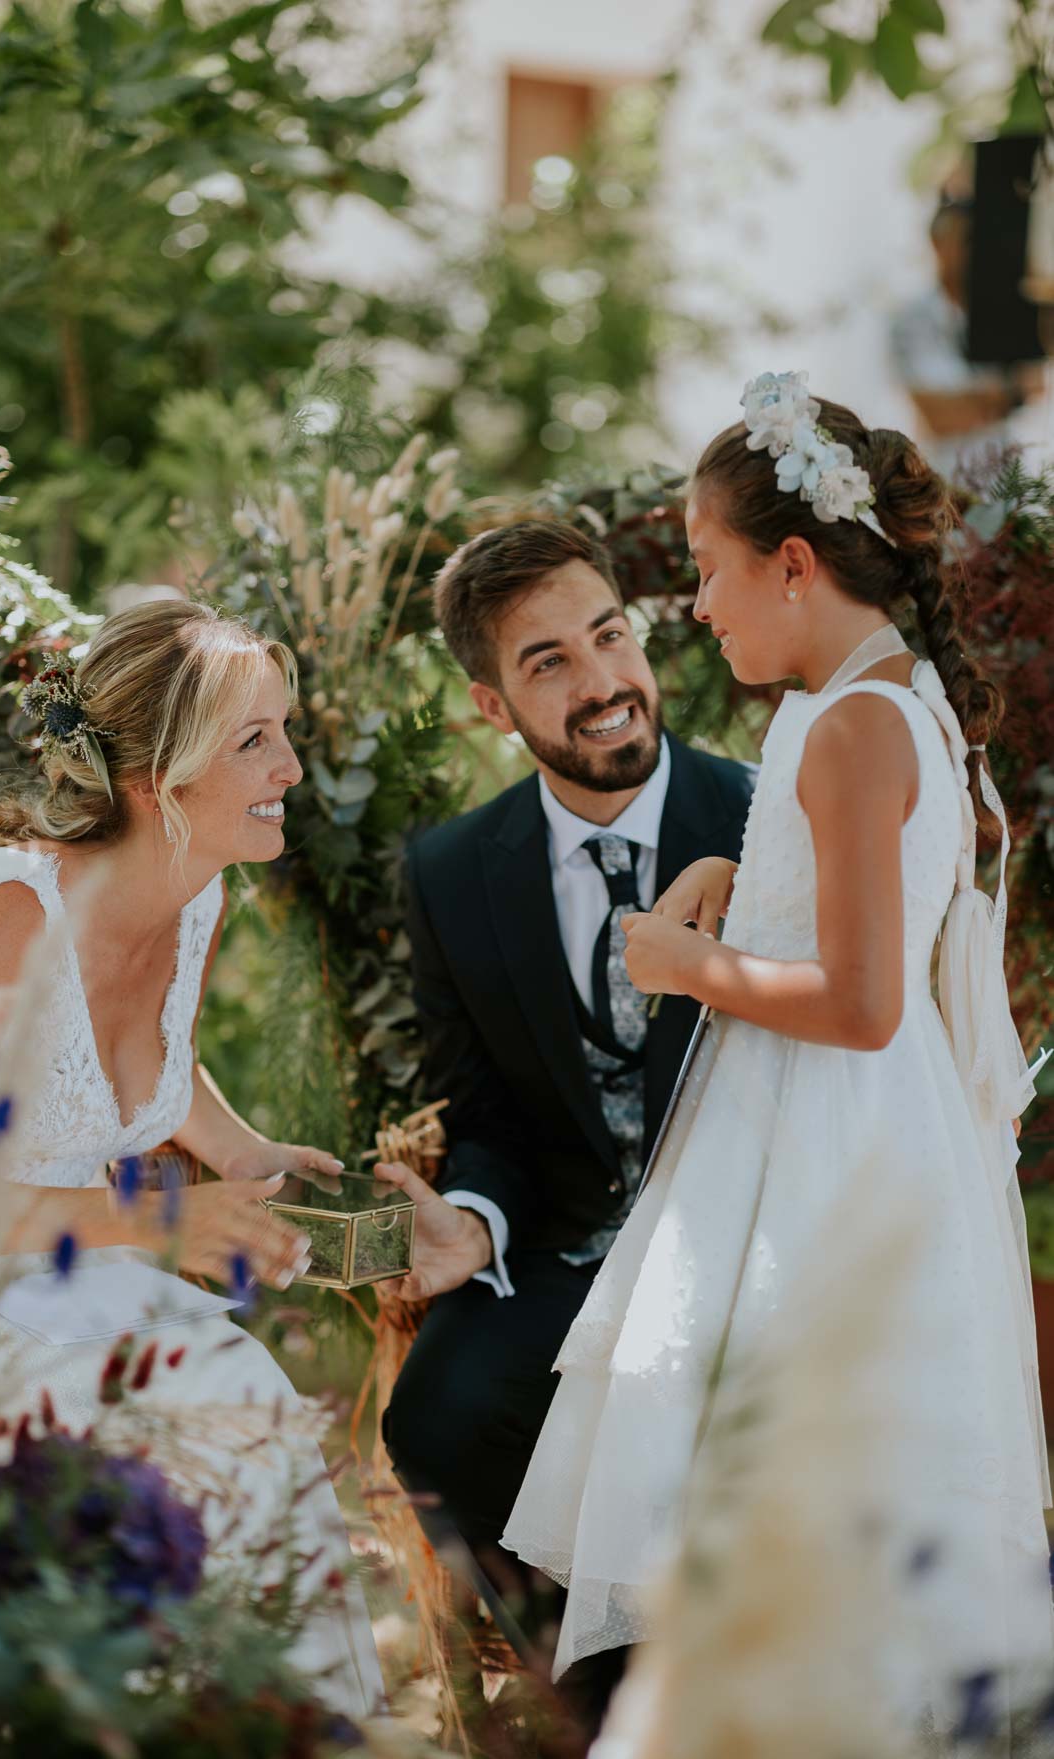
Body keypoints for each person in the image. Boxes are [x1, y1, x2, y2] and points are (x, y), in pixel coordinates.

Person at [502, 373, 1053, 1731]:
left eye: (707, 569)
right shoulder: (868, 694)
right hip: (818, 1111)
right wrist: (721, 876)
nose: (698, 604)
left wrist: (687, 964)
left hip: (833, 1134)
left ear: (792, 563)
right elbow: (849, 898)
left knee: (796, 1473)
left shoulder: (858, 721)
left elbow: (865, 997)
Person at [0, 600, 383, 1718]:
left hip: (69, 1271)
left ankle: (265, 1728)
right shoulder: (15, 916)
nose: (292, 767)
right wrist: (160, 1228)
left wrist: (244, 1150)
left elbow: (153, 1057)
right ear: (163, 779)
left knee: (245, 1401)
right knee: (190, 1422)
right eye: (255, 740)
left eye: (283, 731)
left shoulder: (194, 892)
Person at [374, 520, 753, 1702]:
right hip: (571, 1245)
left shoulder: (763, 818)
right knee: (434, 1418)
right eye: (549, 663)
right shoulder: (450, 872)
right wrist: (473, 1223)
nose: (602, 686)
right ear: (493, 706)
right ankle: (612, 1706)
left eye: (607, 635)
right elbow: (486, 1107)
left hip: (747, 1241)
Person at [888, 193, 1046, 476]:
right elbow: (942, 417)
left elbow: (1037, 384)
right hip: (950, 484)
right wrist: (1012, 394)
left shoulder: (1006, 312)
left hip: (1014, 483)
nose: (977, 252)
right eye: (968, 240)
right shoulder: (912, 321)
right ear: (938, 243)